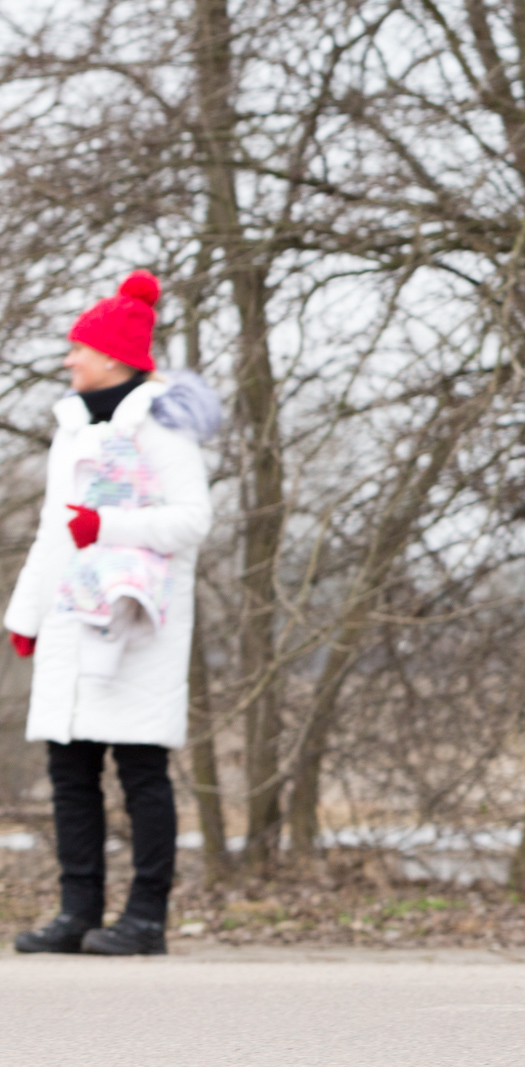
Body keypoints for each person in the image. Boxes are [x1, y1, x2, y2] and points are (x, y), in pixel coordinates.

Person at [6, 270, 220, 956]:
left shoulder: (162, 428)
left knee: (140, 771)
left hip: (136, 627)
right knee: (70, 773)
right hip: (70, 619)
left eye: (78, 348)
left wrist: (109, 526)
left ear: (112, 356)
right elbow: (54, 533)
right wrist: (26, 615)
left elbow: (192, 520)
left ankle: (146, 918)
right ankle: (78, 912)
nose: (69, 359)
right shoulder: (72, 431)